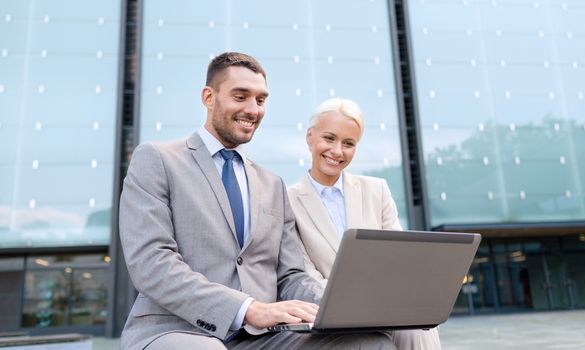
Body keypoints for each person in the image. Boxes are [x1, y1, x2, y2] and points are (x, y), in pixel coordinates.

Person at [118, 52, 396, 350]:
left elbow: (291, 275)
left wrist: (343, 304)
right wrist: (249, 308)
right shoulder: (158, 160)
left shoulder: (272, 184)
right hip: (176, 330)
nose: (253, 109)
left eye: (261, 100)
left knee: (370, 343)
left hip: (261, 337)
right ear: (208, 97)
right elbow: (152, 264)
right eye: (241, 97)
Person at [287, 98, 442, 350]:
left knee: (419, 329)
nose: (337, 151)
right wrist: (360, 298)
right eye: (329, 138)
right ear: (310, 137)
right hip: (330, 310)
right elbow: (303, 272)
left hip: (387, 303)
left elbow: (399, 256)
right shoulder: (288, 201)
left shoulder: (376, 190)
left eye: (348, 143)